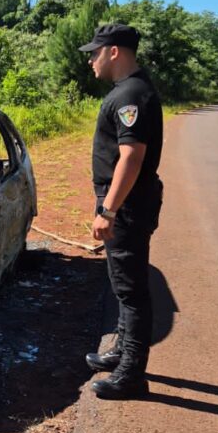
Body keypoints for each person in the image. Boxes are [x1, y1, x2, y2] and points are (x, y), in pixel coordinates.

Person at [78, 24, 164, 399]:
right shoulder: (130, 90)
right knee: (122, 282)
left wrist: (108, 211)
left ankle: (132, 374)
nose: (91, 61)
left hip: (126, 205)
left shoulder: (131, 94)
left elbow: (131, 157)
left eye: (94, 53)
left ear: (114, 51)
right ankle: (120, 351)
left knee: (131, 291)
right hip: (127, 203)